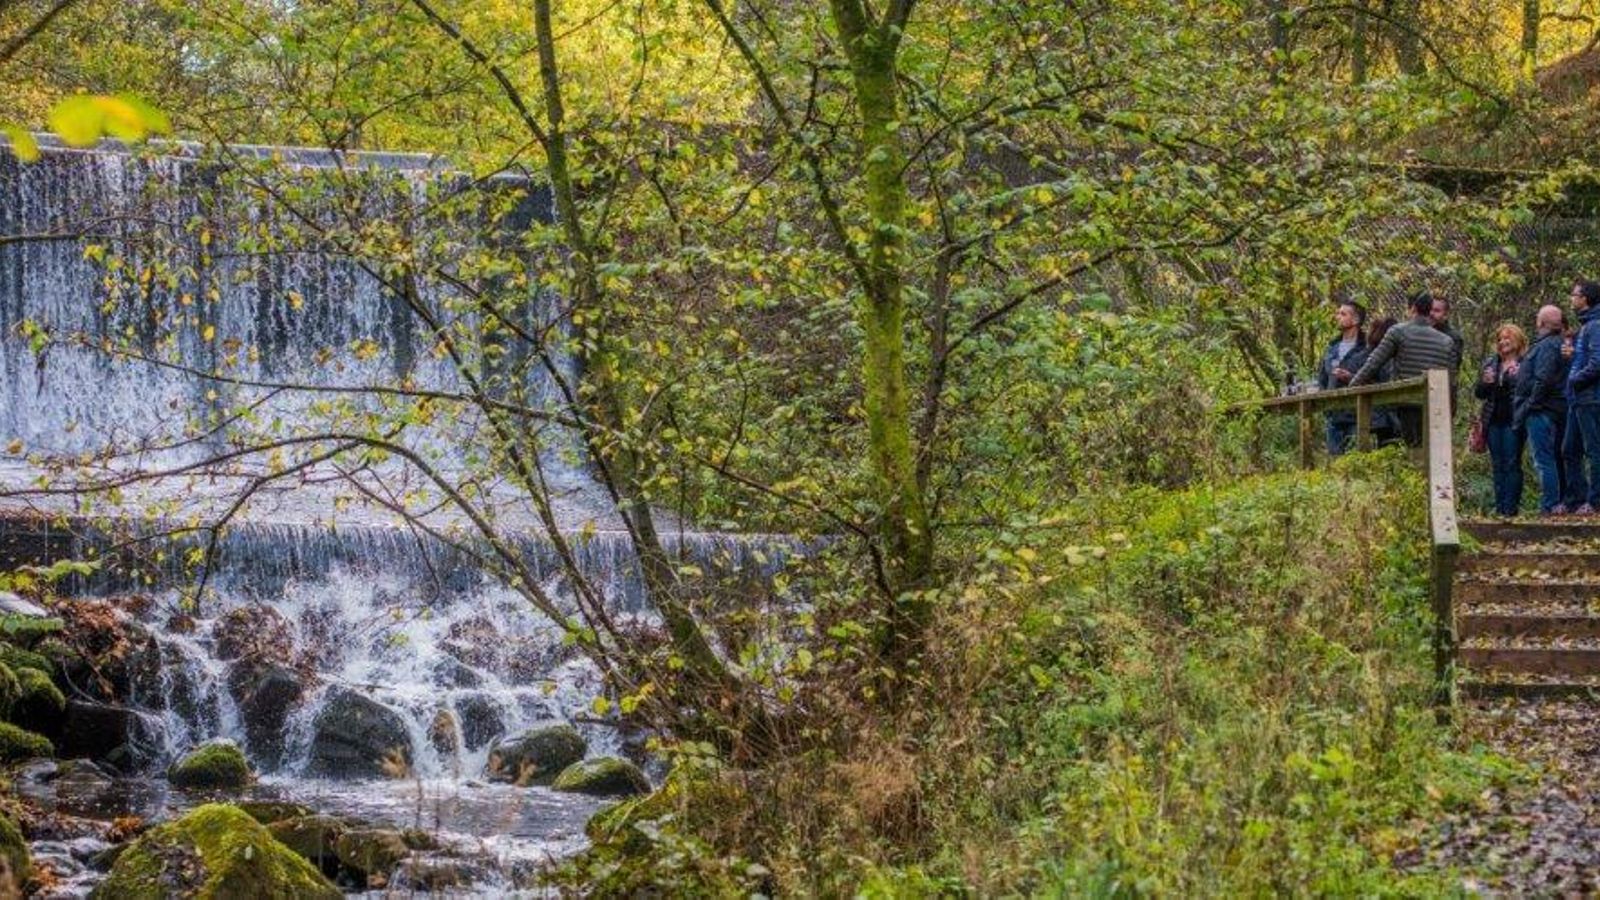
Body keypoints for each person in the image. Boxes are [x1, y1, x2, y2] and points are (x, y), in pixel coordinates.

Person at [1350, 292, 1458, 446]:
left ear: (1413, 308)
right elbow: (1452, 381)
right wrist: (1450, 410)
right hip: (1435, 403)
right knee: (1431, 449)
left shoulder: (1398, 332)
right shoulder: (1447, 341)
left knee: (1410, 447)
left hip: (1406, 401)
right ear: (1429, 311)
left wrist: (1352, 385)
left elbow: (1374, 363)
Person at [1512, 305, 1571, 515]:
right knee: (1551, 457)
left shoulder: (1548, 346)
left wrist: (1531, 405)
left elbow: (1543, 378)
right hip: (1552, 409)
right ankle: (1557, 503)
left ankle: (1550, 505)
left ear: (1541, 323)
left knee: (1544, 459)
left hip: (1543, 411)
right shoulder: (1558, 344)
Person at [1475, 323, 1526, 517]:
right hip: (1493, 420)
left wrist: (1517, 377)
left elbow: (1528, 389)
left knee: (1512, 462)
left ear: (1518, 340)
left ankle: (1510, 508)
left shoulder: (1524, 362)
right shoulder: (1491, 362)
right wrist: (1485, 382)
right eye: (1500, 339)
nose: (1503, 342)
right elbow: (1479, 393)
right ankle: (1500, 507)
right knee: (1497, 464)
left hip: (1515, 419)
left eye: (1508, 337)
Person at [1565, 280, 1600, 513]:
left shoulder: (1595, 324)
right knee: (1569, 450)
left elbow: (1597, 362)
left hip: (1590, 397)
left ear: (1585, 298)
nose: (1571, 298)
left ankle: (1595, 501)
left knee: (1594, 449)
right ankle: (1577, 500)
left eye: (1574, 294)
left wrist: (1574, 378)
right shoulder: (1586, 325)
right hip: (1578, 399)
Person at [1317, 301, 1370, 455]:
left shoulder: (1367, 347)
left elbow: (1376, 378)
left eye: (1343, 314)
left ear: (1356, 320)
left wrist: (1351, 378)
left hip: (1357, 414)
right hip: (1333, 415)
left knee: (1355, 459)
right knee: (1335, 461)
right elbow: (1322, 378)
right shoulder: (1331, 348)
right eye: (1338, 313)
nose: (1337, 317)